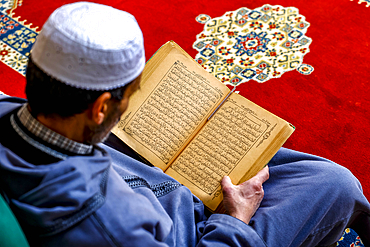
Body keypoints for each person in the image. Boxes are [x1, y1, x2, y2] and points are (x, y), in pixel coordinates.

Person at [0, 2, 369, 246]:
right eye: (131, 93)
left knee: (262, 154)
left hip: (132, 174)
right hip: (195, 229)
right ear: (99, 109)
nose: (130, 102)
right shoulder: (112, 230)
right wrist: (234, 218)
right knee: (333, 184)